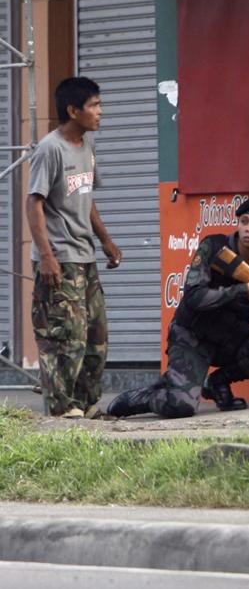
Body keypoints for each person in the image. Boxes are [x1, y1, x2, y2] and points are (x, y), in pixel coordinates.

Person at [107, 198, 249, 418]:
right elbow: (193, 297)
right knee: (180, 406)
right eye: (244, 221)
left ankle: (218, 381)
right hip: (192, 338)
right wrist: (243, 291)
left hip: (231, 341)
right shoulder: (214, 247)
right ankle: (147, 396)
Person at [26, 76, 122, 418]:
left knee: (96, 338)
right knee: (66, 338)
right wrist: (47, 257)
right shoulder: (50, 149)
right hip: (60, 259)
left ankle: (84, 403)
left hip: (85, 256)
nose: (100, 112)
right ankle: (62, 408)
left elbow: (85, 197)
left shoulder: (86, 147)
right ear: (73, 110)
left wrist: (106, 240)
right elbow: (33, 203)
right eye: (94, 105)